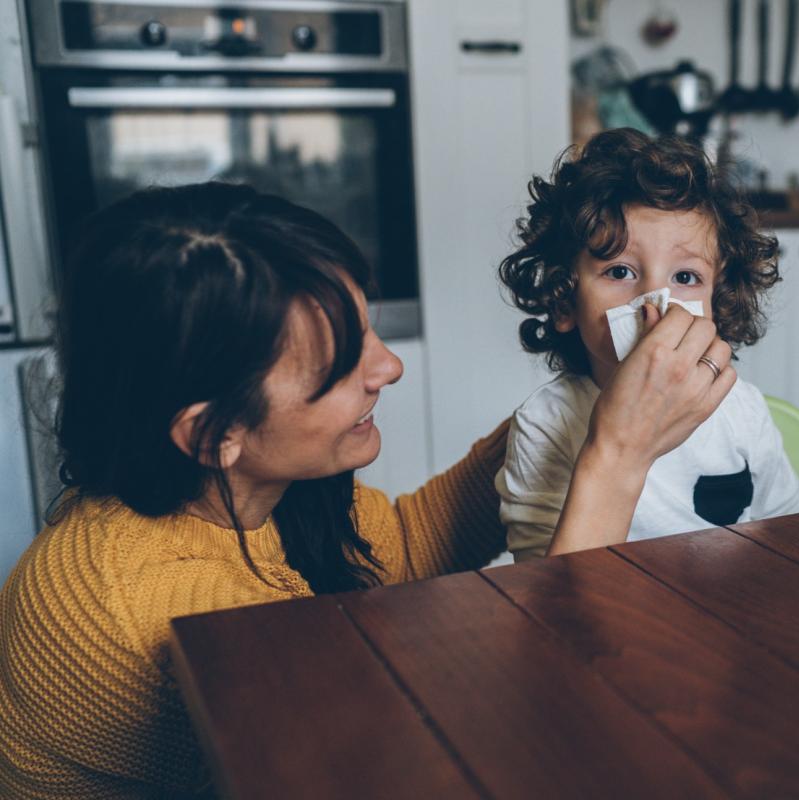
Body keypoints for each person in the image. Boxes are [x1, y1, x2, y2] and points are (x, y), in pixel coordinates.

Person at [0, 181, 732, 798]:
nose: (388, 369)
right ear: (211, 434)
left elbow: (411, 544)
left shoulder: (262, 495)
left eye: (370, 331)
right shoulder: (156, 611)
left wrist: (591, 407)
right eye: (346, 359)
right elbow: (528, 738)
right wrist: (618, 452)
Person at [497, 128, 799, 562]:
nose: (654, 302)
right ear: (565, 301)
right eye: (620, 271)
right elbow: (541, 586)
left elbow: (792, 534)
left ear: (716, 306)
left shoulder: (743, 410)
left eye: (685, 278)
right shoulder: (545, 425)